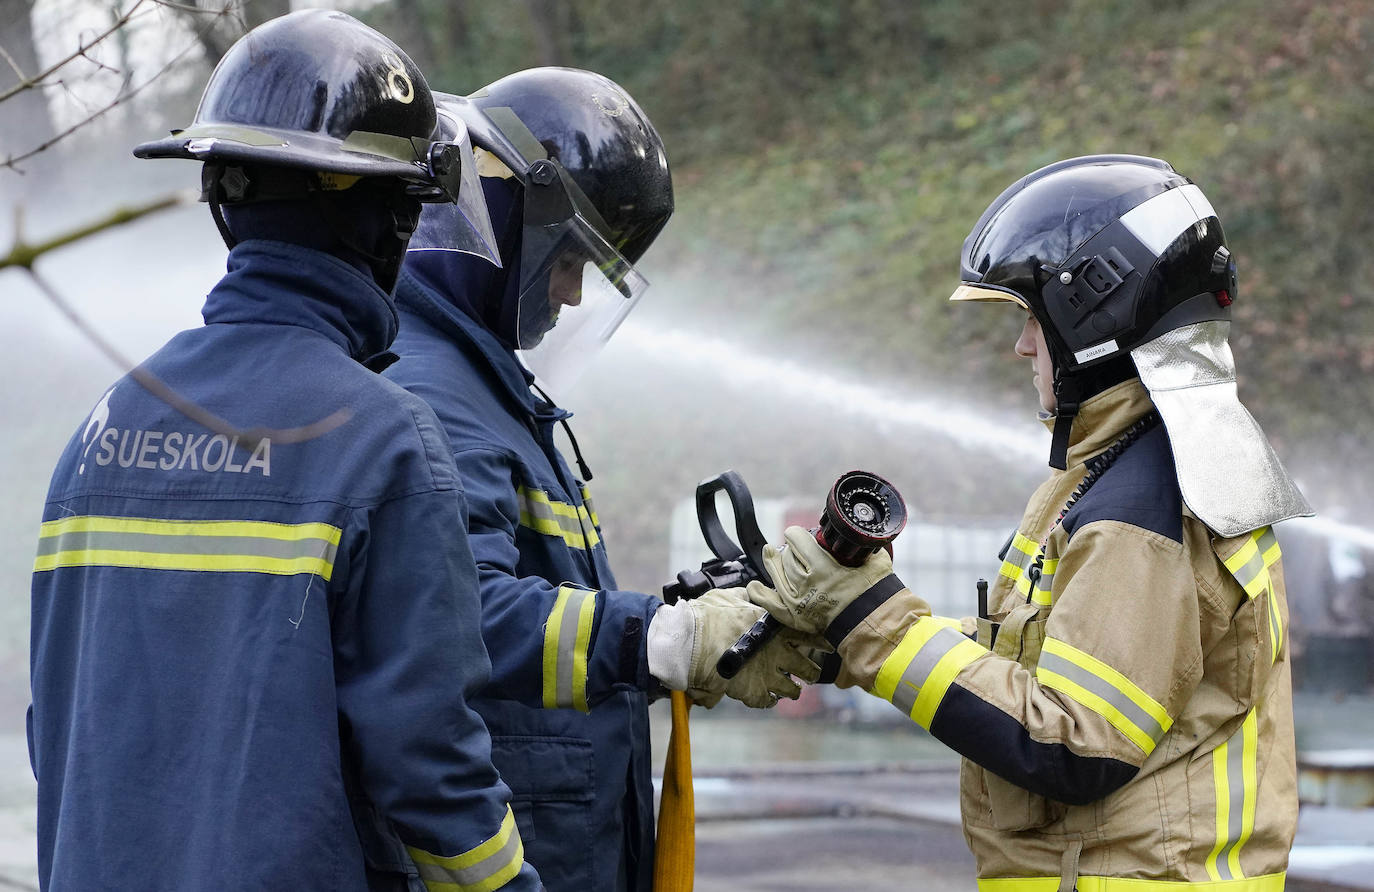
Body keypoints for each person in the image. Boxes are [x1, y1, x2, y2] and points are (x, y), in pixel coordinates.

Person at [28, 11, 542, 891]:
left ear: (228, 203)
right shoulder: (381, 438)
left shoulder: (104, 425)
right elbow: (430, 769)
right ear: (386, 227)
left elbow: (56, 730)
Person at [747, 155, 1312, 889]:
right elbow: (1031, 661)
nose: (1021, 348)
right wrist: (839, 640)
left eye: (1029, 320)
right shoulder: (1127, 466)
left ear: (1094, 318)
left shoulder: (1142, 510)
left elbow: (1075, 748)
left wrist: (872, 622)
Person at [383, 68, 820, 891]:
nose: (574, 293)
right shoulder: (434, 396)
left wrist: (679, 629)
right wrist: (658, 638)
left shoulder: (487, 390)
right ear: (505, 219)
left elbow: (541, 615)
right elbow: (454, 617)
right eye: (568, 257)